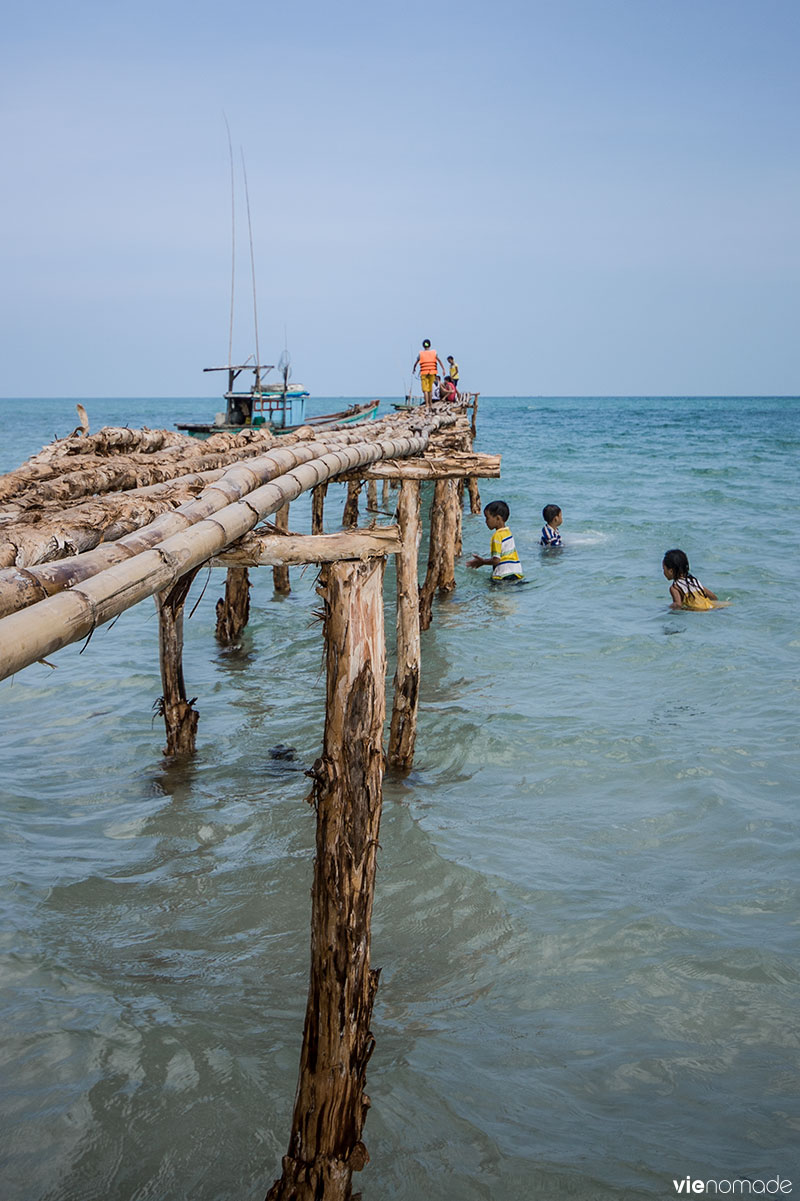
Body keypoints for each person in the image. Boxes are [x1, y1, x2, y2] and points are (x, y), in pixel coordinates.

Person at [467, 500, 524, 581]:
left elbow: (496, 560)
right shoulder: (508, 532)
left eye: (487, 518)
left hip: (503, 575)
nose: (486, 522)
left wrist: (483, 562)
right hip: (516, 572)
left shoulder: (497, 536)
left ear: (498, 518)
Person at [412, 340, 446, 405]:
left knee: (425, 390)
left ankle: (427, 404)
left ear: (423, 345)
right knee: (430, 389)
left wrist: (414, 369)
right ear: (430, 345)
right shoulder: (434, 353)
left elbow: (416, 363)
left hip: (424, 373)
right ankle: (430, 403)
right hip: (432, 372)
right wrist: (443, 369)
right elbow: (439, 361)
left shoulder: (421, 354)